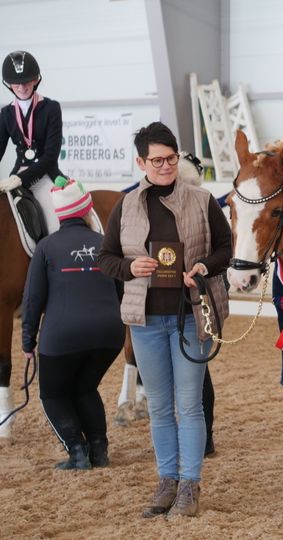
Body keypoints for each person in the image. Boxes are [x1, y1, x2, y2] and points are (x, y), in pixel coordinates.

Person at [98, 121, 231, 519]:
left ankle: (190, 484)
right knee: (158, 406)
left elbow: (226, 247)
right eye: (157, 160)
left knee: (189, 405)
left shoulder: (203, 199)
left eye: (171, 158)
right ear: (140, 162)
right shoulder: (126, 206)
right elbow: (105, 258)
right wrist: (129, 266)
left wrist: (204, 266)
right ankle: (167, 479)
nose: (165, 166)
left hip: (191, 317)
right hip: (144, 321)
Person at [21, 177, 125, 470]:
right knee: (85, 388)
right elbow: (120, 292)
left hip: (63, 336)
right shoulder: (106, 243)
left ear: (59, 214)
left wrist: (28, 341)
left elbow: (32, 300)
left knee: (53, 394)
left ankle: (77, 451)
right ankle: (99, 451)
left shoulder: (46, 247)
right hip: (110, 334)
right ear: (86, 210)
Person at [0, 50, 63, 235]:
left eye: (26, 81)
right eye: (16, 83)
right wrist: (15, 178)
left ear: (36, 80)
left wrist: (22, 179)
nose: (21, 87)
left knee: (54, 227)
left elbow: (51, 156)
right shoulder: (6, 114)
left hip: (45, 176)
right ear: (9, 84)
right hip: (14, 178)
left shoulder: (51, 108)